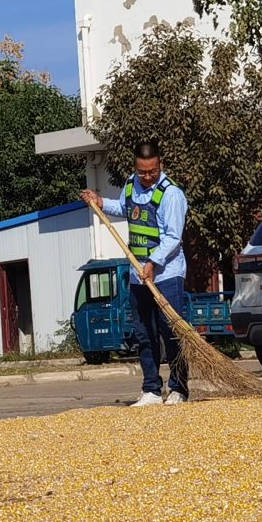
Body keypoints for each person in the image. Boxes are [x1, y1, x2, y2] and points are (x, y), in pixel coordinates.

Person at [92, 142, 188, 407]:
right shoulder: (131, 185)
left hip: (166, 275)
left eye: (152, 171)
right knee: (144, 334)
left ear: (160, 165)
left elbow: (173, 237)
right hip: (138, 273)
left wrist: (153, 263)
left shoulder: (172, 195)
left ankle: (178, 388)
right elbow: (124, 209)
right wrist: (101, 202)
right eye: (142, 171)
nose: (147, 176)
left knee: (171, 332)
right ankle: (152, 389)